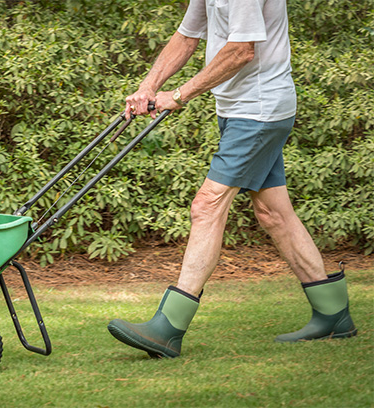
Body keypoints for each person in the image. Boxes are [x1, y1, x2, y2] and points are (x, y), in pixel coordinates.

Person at [107, 0, 357, 358]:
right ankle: (334, 315)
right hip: (240, 111)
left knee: (206, 205)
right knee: (274, 214)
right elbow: (186, 36)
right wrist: (148, 87)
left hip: (258, 112)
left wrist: (178, 95)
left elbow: (241, 50)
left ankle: (169, 327)